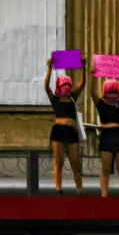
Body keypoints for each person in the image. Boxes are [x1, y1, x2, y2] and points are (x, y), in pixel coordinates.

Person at [44, 57, 87, 196]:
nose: (67, 87)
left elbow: (82, 84)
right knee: (58, 162)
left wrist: (83, 67)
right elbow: (46, 87)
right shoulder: (55, 99)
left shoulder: (73, 97)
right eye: (64, 85)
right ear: (59, 87)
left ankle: (79, 191)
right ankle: (58, 190)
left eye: (68, 84)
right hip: (59, 131)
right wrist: (49, 69)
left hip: (71, 132)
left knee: (75, 163)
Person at [91, 69, 119, 198]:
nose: (112, 93)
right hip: (107, 137)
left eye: (114, 91)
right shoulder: (101, 104)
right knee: (105, 170)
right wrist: (93, 76)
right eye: (110, 91)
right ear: (105, 91)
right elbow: (92, 93)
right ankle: (104, 196)